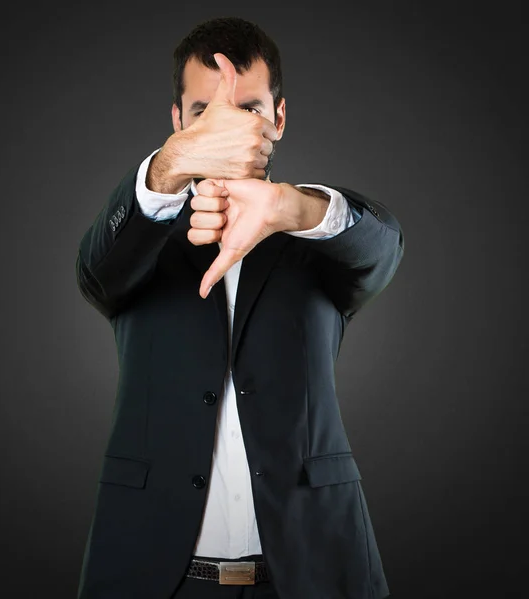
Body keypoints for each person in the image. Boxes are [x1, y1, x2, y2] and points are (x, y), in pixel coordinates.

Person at [75, 16, 404, 599]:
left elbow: (380, 247)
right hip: (154, 577)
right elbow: (96, 271)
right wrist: (170, 168)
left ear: (278, 118)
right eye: (204, 112)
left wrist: (290, 209)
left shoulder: (314, 236)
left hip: (313, 573)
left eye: (248, 108)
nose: (227, 126)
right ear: (177, 122)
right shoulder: (138, 244)